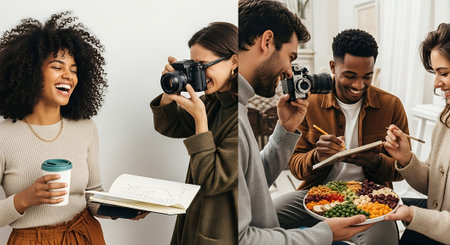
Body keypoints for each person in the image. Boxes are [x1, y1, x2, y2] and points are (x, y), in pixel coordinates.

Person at [238, 1, 373, 244]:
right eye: (290, 57)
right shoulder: (232, 116)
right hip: (316, 194)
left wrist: (285, 129)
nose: (290, 72)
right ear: (267, 41)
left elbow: (250, 183)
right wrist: (324, 234)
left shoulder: (237, 106)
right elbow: (241, 238)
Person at [274, 28, 409, 245]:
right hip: (317, 194)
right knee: (262, 218)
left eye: (367, 76)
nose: (359, 85)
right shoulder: (309, 103)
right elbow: (295, 166)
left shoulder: (390, 105)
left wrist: (375, 162)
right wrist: (318, 157)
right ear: (333, 67)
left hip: (371, 199)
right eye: (350, 75)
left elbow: (401, 170)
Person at [0, 12, 112, 244]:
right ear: (30, 72)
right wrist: (23, 199)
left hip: (84, 235)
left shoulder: (85, 128)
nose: (68, 76)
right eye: (57, 66)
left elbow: (92, 195)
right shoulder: (4, 136)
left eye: (73, 69)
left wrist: (122, 209)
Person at [150, 22, 238, 244]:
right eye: (193, 66)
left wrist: (200, 118)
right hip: (194, 219)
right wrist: (171, 93)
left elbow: (212, 180)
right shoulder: (214, 101)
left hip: (220, 229)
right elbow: (169, 126)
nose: (198, 73)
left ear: (234, 61)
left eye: (203, 65)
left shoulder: (243, 116)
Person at [384, 22, 450, 245]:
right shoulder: (446, 119)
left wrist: (414, 215)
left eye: (444, 73)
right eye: (435, 73)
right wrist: (405, 158)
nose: (437, 83)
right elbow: (435, 186)